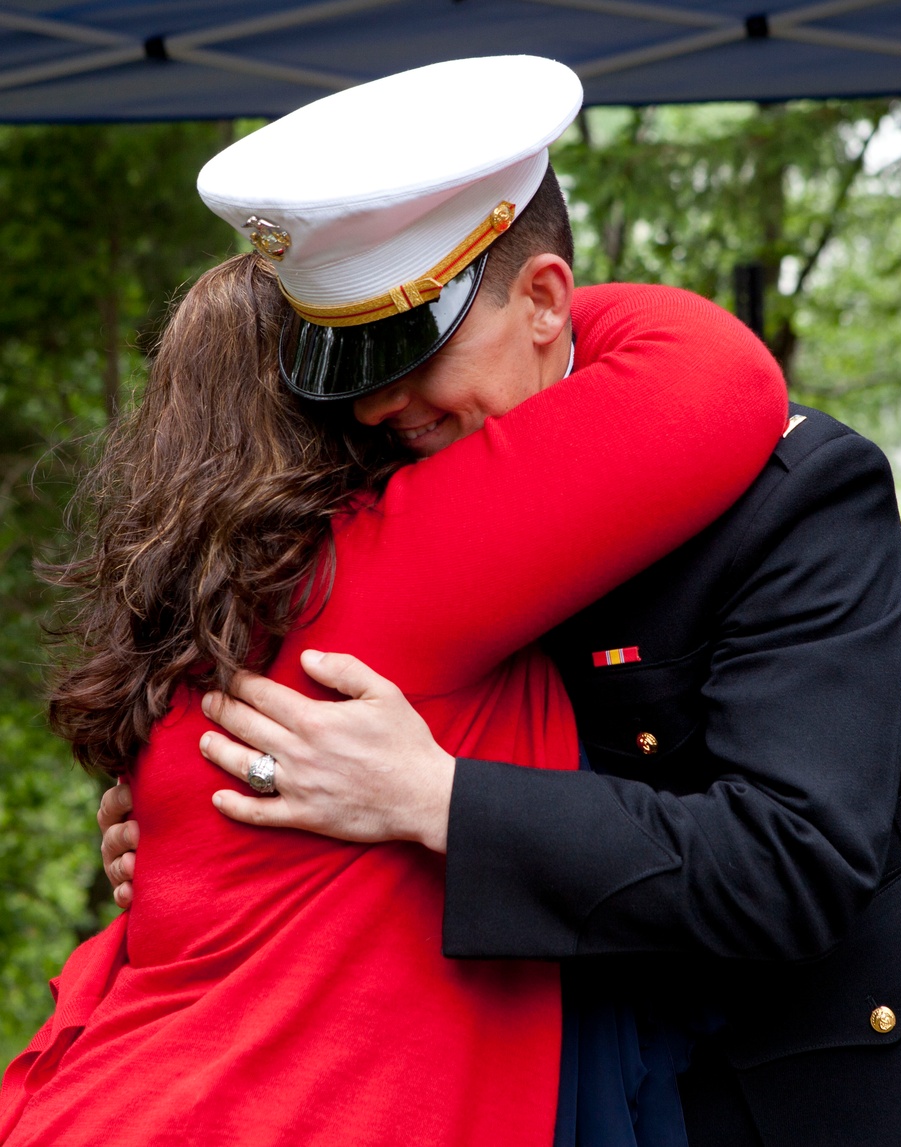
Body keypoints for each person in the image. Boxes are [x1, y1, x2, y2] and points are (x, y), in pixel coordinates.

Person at [105, 69, 901, 1147]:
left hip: (838, 1078)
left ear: (542, 297)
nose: (383, 403)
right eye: (355, 367)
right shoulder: (407, 485)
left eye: (415, 347)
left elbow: (792, 865)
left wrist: (436, 797)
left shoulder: (797, 493)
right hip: (582, 1072)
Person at [1, 57, 789, 1147]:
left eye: (392, 346)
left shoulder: (218, 619)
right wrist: (509, 305)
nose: (377, 401)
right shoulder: (375, 581)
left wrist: (493, 301)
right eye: (347, 359)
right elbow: (712, 374)